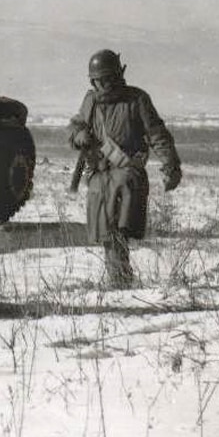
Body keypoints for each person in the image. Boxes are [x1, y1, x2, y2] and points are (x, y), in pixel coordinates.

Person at [67, 49, 182, 289]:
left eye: (109, 78)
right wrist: (79, 135)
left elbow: (157, 134)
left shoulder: (137, 100)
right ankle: (119, 281)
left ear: (119, 75)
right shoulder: (90, 101)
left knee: (118, 231)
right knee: (106, 234)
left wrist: (171, 165)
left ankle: (119, 282)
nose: (105, 84)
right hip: (99, 174)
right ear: (93, 80)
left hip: (127, 175)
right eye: (100, 80)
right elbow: (75, 126)